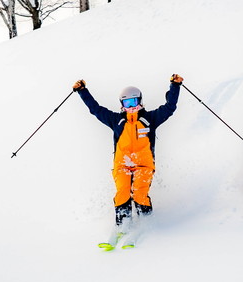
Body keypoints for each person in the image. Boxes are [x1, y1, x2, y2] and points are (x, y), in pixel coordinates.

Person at [74, 75, 182, 225]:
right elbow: (96, 109)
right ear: (122, 104)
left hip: (143, 165)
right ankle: (123, 225)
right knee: (123, 192)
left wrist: (175, 86)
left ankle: (146, 222)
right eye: (126, 102)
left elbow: (169, 108)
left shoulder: (150, 118)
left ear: (140, 101)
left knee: (139, 192)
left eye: (133, 102)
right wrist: (82, 91)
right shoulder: (116, 120)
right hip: (122, 165)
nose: (130, 106)